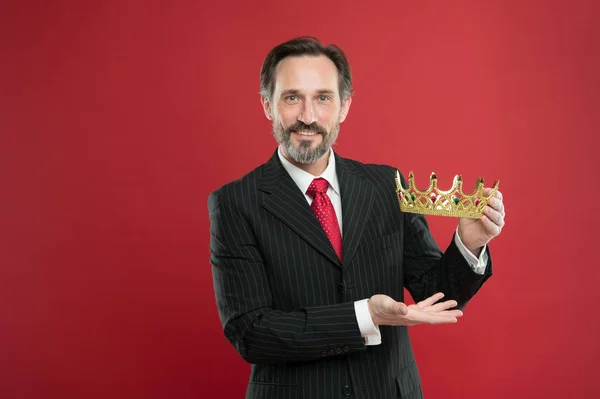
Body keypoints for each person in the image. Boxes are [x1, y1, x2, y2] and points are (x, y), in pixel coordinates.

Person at [208, 37, 505, 399]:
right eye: (291, 97)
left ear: (344, 106)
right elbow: (252, 333)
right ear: (267, 106)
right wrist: (365, 315)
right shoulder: (234, 203)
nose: (307, 116)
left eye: (323, 97)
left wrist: (470, 244)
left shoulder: (385, 186)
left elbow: (436, 295)